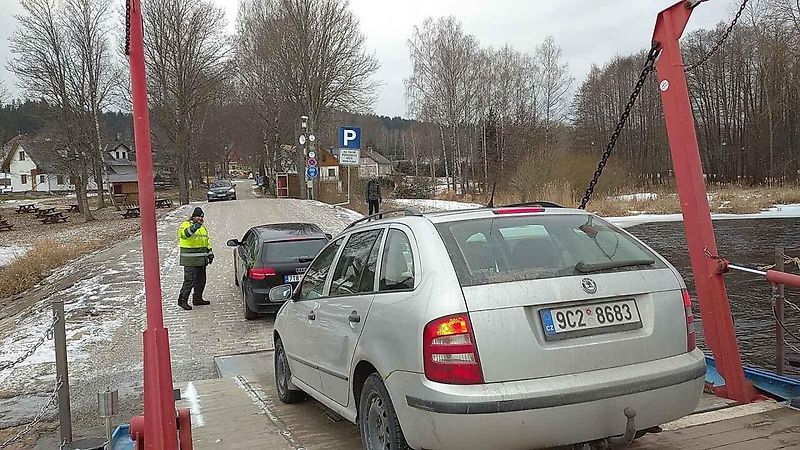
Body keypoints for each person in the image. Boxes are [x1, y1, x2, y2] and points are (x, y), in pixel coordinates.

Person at [177, 207, 213, 310]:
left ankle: (197, 299)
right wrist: (194, 227)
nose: (200, 219)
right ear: (193, 216)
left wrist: (210, 253)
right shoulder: (185, 225)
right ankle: (182, 301)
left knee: (201, 281)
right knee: (189, 281)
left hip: (201, 260)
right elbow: (184, 235)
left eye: (202, 217)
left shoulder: (202, 228)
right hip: (190, 260)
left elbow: (206, 242)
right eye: (198, 216)